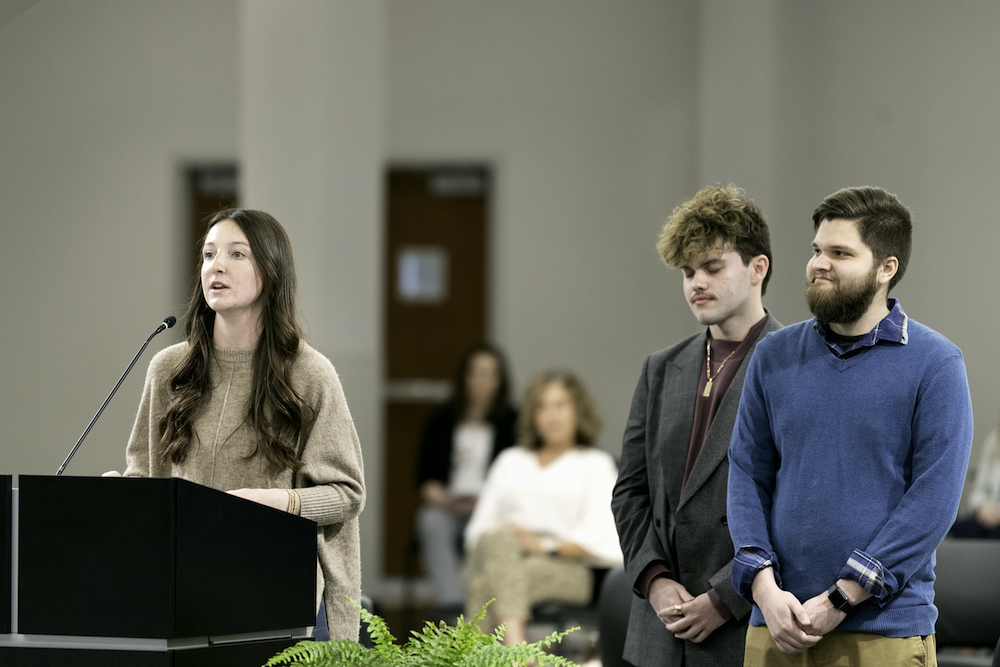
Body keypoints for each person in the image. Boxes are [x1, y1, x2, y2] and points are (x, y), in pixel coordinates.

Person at [727, 186, 973, 665]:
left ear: (886, 268)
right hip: (776, 626)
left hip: (882, 632)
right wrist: (763, 589)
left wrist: (843, 597)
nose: (820, 263)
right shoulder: (773, 356)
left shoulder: (936, 363)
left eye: (840, 253)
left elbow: (933, 501)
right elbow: (746, 475)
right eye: (817, 249)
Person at [104, 209, 366, 641]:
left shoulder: (309, 373)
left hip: (276, 592)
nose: (216, 266)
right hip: (184, 591)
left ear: (272, 270)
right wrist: (122, 496)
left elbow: (347, 493)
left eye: (236, 254)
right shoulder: (168, 368)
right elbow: (148, 478)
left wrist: (278, 502)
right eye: (208, 255)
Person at [611, 184, 780, 667]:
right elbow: (630, 492)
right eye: (687, 272)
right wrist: (654, 579)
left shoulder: (795, 365)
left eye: (712, 267)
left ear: (757, 268)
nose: (695, 283)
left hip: (744, 625)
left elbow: (796, 506)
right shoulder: (661, 368)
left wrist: (726, 596)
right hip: (660, 631)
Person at [463, 370, 623, 645]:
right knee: (498, 548)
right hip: (504, 554)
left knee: (487, 584)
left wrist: (541, 545)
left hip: (569, 567)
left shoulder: (595, 464)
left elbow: (606, 541)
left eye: (560, 405)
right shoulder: (510, 460)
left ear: (578, 411)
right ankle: (520, 653)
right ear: (532, 415)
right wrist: (513, 544)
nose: (552, 416)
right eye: (542, 407)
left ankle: (489, 656)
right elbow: (478, 531)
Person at [415, 344, 518, 618]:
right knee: (430, 520)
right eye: (477, 373)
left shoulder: (513, 424)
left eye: (490, 374)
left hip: (492, 509)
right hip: (449, 506)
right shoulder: (440, 421)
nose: (483, 382)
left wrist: (486, 502)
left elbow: (518, 483)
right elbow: (426, 482)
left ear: (500, 381)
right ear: (465, 377)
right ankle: (453, 605)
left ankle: (484, 609)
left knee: (500, 534)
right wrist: (449, 500)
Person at [951, 426, 1000, 539]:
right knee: (961, 529)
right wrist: (982, 507)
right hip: (990, 513)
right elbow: (979, 488)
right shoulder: (994, 439)